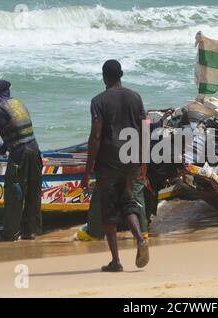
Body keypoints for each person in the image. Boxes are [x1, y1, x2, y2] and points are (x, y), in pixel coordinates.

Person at [80, 60, 149, 272]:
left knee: (108, 212)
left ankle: (116, 261)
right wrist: (144, 162)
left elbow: (96, 135)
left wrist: (88, 168)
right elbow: (145, 129)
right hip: (131, 160)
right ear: (121, 74)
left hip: (108, 164)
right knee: (128, 203)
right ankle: (140, 238)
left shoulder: (98, 101)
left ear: (104, 76)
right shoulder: (135, 97)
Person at [0, 80, 43, 241]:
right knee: (33, 192)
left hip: (20, 155)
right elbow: (17, 133)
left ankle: (10, 233)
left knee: (14, 193)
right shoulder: (19, 104)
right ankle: (30, 232)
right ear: (9, 91)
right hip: (35, 151)